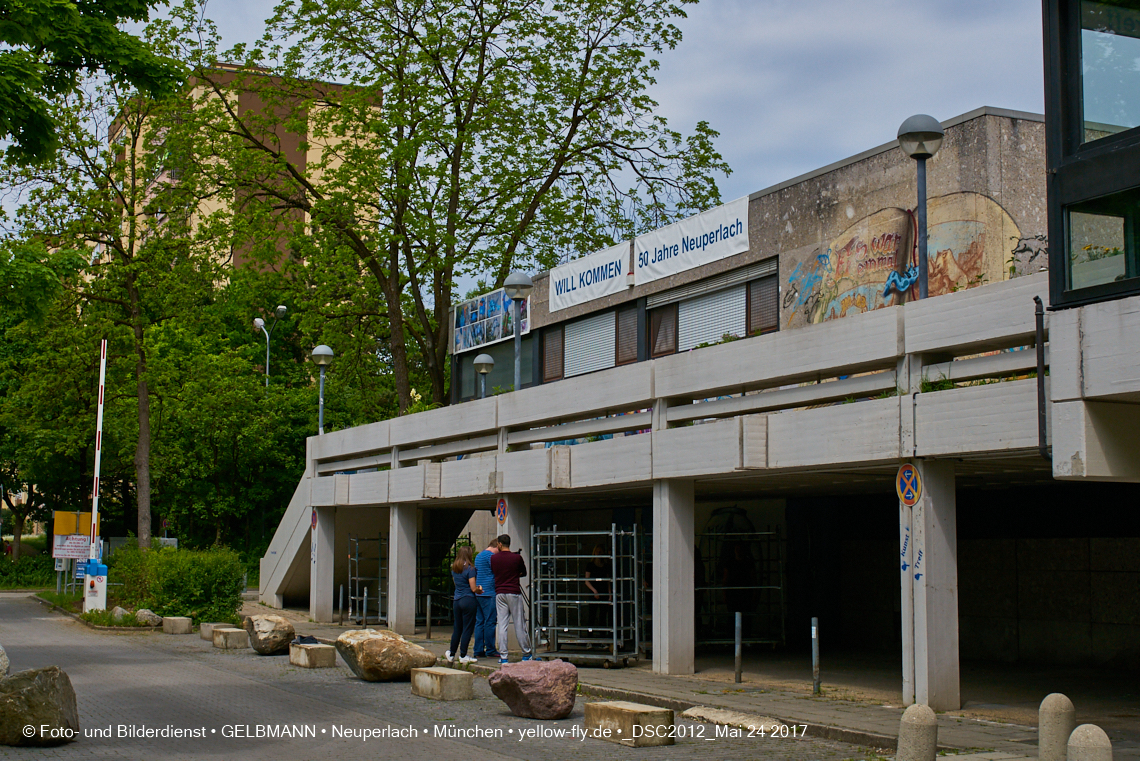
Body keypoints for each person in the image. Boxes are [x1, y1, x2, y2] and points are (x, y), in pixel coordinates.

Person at [490, 533, 533, 664]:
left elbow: (494, 572)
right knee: (519, 623)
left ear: (499, 544)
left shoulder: (494, 559)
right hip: (514, 592)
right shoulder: (516, 558)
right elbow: (523, 572)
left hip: (500, 592)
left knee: (502, 624)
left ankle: (504, 656)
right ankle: (526, 653)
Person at [446, 545, 478, 664]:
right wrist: (479, 589)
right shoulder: (470, 569)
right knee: (467, 628)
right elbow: (473, 588)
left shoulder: (454, 568)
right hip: (468, 599)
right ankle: (463, 655)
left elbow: (457, 585)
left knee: (457, 628)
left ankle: (452, 653)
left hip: (457, 600)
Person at [472, 539, 499, 658]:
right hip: (489, 592)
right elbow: (497, 572)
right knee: (490, 622)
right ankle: (490, 649)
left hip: (479, 592)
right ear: (497, 546)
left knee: (479, 622)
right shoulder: (492, 557)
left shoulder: (479, 556)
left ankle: (478, 650)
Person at [583, 543, 613, 638]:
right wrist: (594, 590)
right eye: (597, 551)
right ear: (594, 553)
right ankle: (589, 638)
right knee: (592, 615)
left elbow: (608, 581)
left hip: (603, 592)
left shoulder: (606, 566)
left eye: (601, 552)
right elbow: (586, 581)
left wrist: (609, 594)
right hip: (594, 593)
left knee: (603, 617)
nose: (599, 553)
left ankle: (602, 638)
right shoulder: (590, 565)